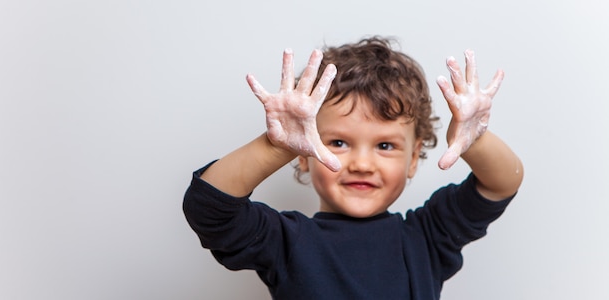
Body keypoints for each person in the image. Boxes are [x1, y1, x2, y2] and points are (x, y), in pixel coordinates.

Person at [183, 36, 523, 299]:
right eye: (339, 143)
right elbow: (208, 208)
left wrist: (475, 140)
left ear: (413, 158)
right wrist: (275, 146)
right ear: (303, 154)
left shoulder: (427, 237)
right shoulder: (287, 242)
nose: (361, 164)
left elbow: (501, 183)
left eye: (385, 146)